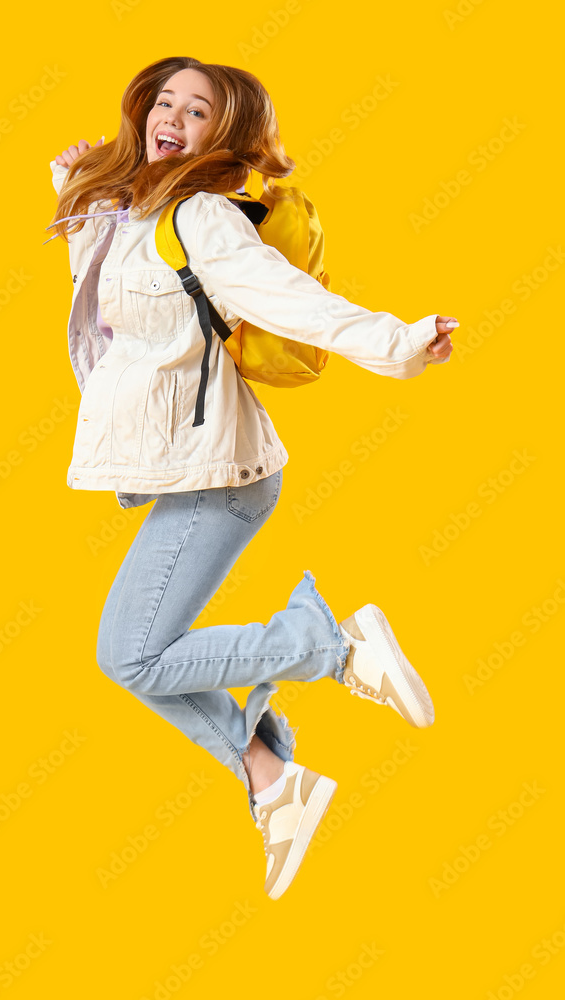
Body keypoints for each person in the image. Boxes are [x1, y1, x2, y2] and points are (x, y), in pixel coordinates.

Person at [46, 55, 457, 901]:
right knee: (137, 656)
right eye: (164, 102)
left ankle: (332, 648)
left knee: (130, 655)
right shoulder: (132, 211)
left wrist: (398, 343)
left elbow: (289, 299)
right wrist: (78, 190)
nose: (172, 119)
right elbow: (111, 317)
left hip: (222, 477)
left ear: (221, 136)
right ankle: (273, 779)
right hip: (189, 471)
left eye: (196, 112)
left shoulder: (201, 216)